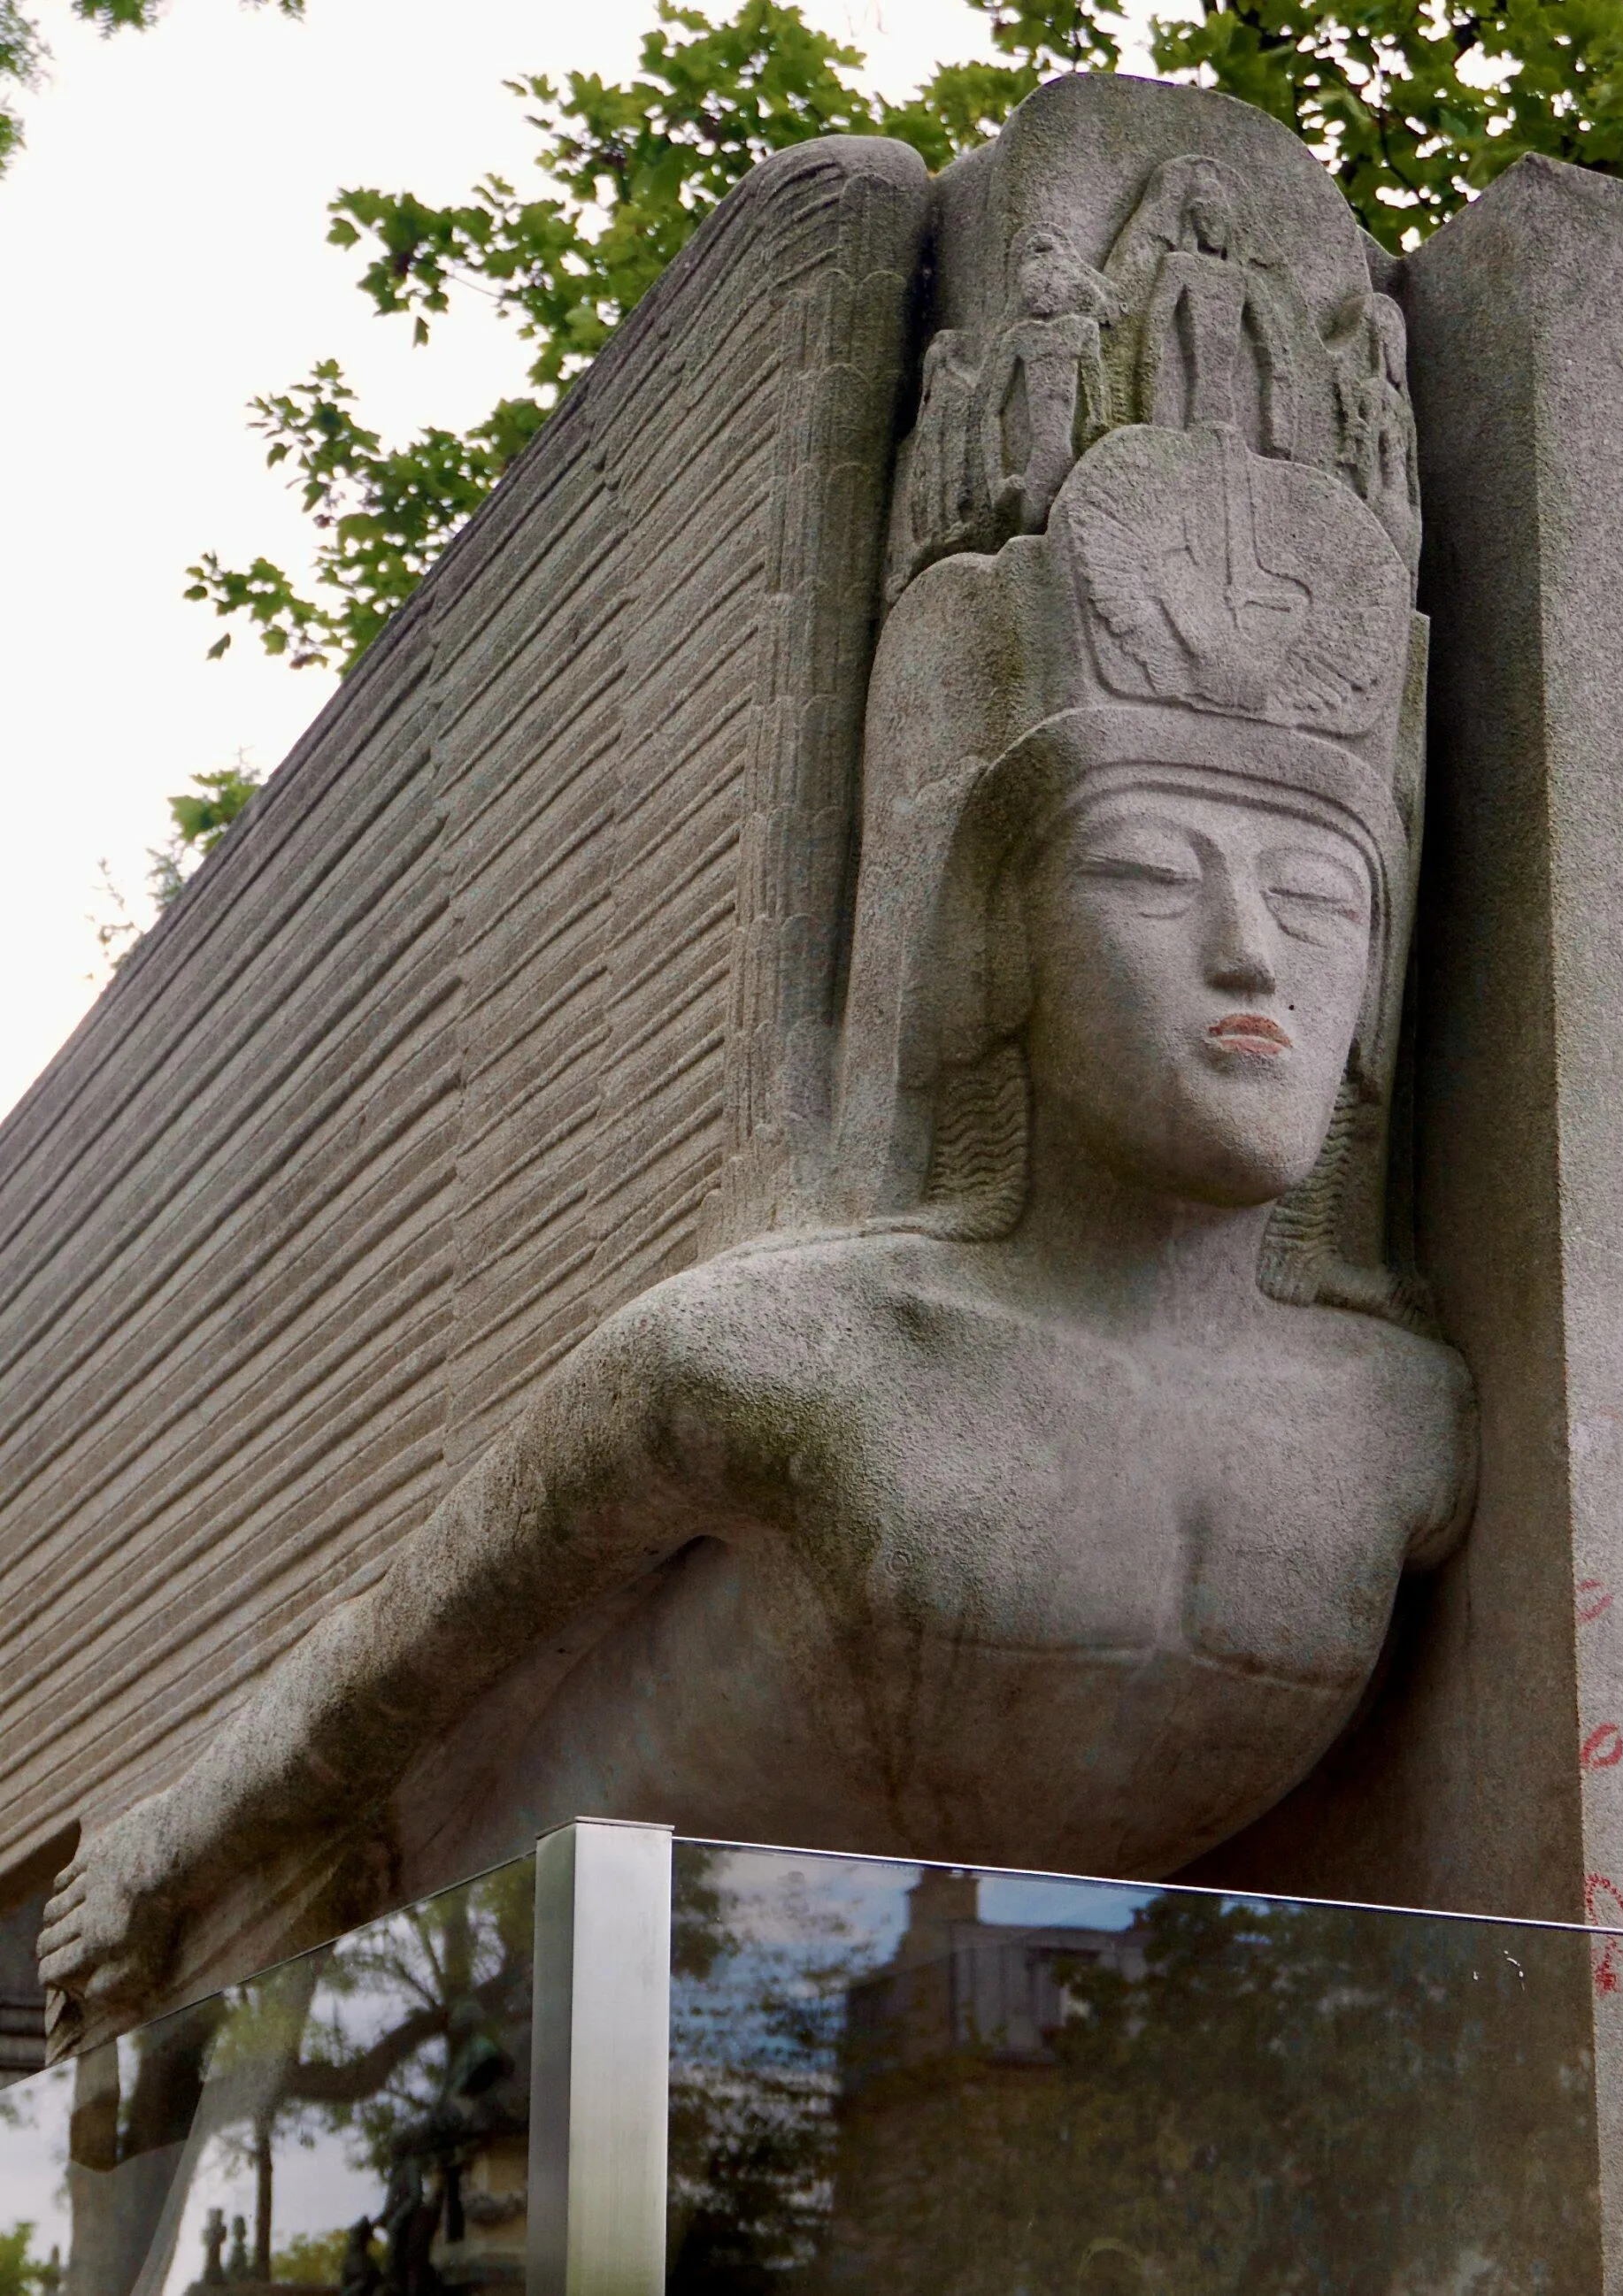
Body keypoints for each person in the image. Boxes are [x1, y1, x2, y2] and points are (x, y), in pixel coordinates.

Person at [38, 425, 1471, 2033]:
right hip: (510, 2007)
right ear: (999, 954)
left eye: (1320, 897)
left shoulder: (1408, 1424)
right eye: (1151, 875)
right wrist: (171, 1845)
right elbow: (400, 1653)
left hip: (948, 2052)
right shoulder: (794, 1361)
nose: (1249, 954)